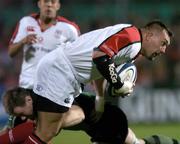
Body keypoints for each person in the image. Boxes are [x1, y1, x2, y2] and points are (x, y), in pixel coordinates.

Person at [21, 20, 172, 143]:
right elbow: (100, 56)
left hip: (65, 73)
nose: (164, 50)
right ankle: (20, 122)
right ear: (149, 36)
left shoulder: (132, 43)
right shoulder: (132, 39)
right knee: (47, 131)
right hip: (61, 71)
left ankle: (23, 120)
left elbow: (101, 67)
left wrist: (100, 98)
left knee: (52, 126)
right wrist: (119, 85)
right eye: (163, 43)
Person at [1, 88, 180, 144]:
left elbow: (79, 114)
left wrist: (43, 129)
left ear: (28, 100)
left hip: (106, 121)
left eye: (24, 114)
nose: (26, 118)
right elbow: (10, 130)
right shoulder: (32, 107)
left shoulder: (50, 100)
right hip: (95, 125)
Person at [5, 0, 80, 131]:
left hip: (50, 88)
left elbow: (78, 57)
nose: (49, 5)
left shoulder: (69, 29)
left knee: (43, 130)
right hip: (26, 86)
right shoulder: (26, 22)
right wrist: (23, 41)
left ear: (58, 5)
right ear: (39, 3)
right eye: (46, 1)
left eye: (53, 2)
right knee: (16, 129)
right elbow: (11, 52)